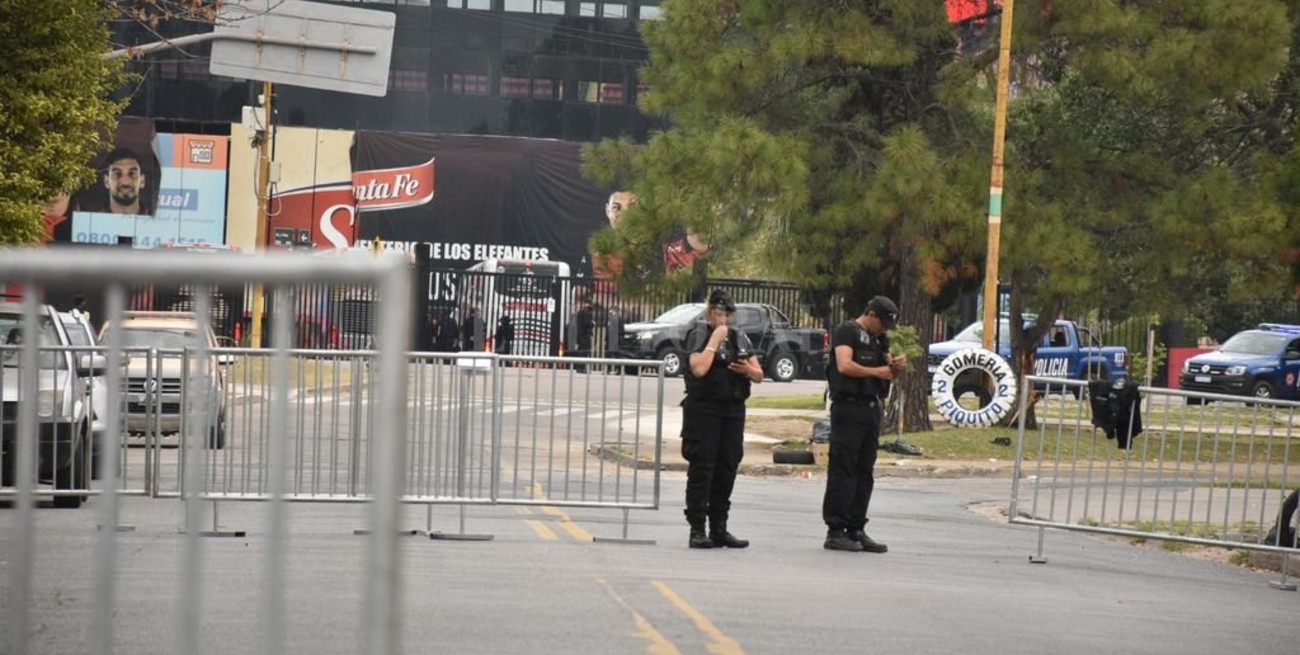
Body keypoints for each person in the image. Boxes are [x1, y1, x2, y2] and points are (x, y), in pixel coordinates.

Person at [822, 295, 906, 553]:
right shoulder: (847, 331)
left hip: (871, 406)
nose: (884, 329)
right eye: (882, 322)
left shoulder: (881, 339)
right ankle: (836, 530)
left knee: (864, 471)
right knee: (843, 468)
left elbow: (887, 369)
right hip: (848, 407)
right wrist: (875, 372)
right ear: (870, 314)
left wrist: (895, 367)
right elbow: (844, 365)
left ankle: (857, 527)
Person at [680, 289, 763, 549]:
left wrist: (747, 370)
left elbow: (759, 374)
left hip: (732, 410)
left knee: (727, 467)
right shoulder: (700, 334)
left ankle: (719, 527)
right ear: (709, 312)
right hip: (704, 410)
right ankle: (697, 529)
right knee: (703, 467)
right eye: (719, 314)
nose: (724, 320)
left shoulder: (739, 337)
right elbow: (699, 368)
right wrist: (715, 340)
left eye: (728, 315)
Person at [101, 147, 152, 215]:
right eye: (117, 174)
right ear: (106, 182)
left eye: (132, 173)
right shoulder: (91, 222)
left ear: (142, 181)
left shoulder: (159, 223)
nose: (125, 181)